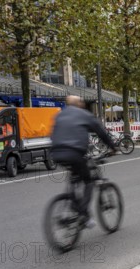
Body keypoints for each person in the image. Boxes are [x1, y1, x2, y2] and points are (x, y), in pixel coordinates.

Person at [50, 95, 116, 228]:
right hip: (75, 153)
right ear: (79, 104)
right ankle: (83, 214)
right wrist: (113, 147)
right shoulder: (83, 114)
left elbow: (53, 134)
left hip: (56, 153)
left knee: (74, 177)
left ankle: (72, 203)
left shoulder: (59, 115)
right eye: (81, 102)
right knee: (88, 180)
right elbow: (100, 132)